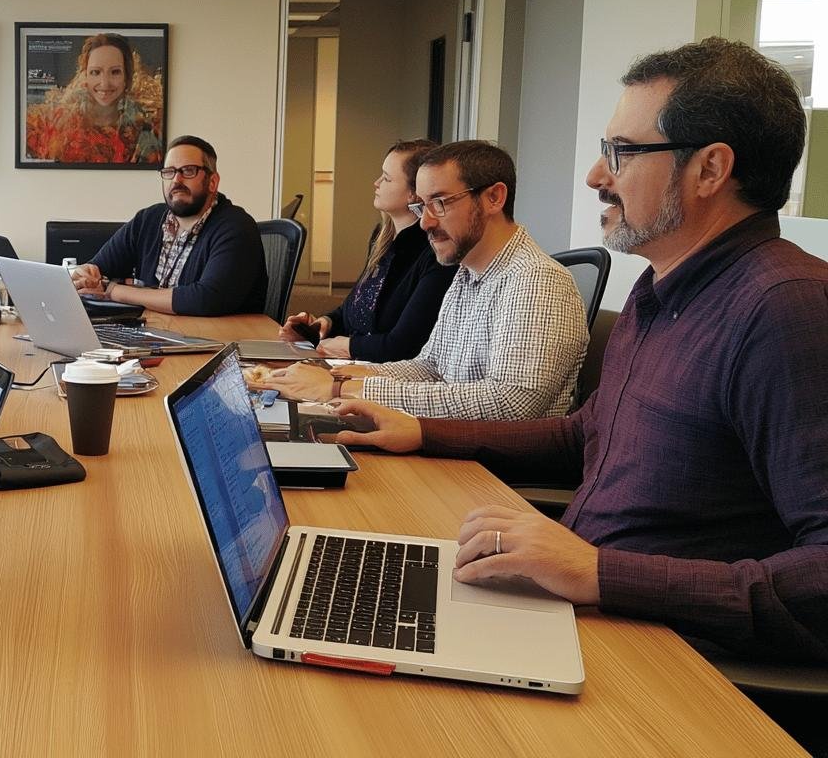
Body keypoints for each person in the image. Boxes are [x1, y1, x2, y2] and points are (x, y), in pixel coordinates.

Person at [324, 39, 827, 672]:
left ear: (710, 169)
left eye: (621, 152)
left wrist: (599, 572)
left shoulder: (786, 308)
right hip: (585, 607)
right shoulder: (658, 290)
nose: (595, 176)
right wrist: (422, 429)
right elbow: (584, 435)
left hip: (664, 653)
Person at [254, 141, 587, 420]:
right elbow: (430, 367)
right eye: (421, 207)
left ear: (494, 198)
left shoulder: (536, 280)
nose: (426, 223)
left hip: (490, 475)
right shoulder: (468, 274)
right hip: (446, 447)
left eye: (439, 203)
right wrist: (334, 375)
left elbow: (512, 404)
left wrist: (345, 389)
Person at [279, 138, 456, 361]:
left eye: (387, 178)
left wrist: (349, 346)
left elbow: (403, 346)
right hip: (350, 364)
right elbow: (357, 306)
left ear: (415, 192)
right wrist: (324, 323)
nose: (376, 182)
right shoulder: (382, 237)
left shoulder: (434, 254)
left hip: (380, 376)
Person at [71, 135, 268, 316]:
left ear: (212, 182)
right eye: (169, 172)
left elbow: (207, 300)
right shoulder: (148, 219)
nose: (176, 180)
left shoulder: (236, 227)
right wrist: (86, 275)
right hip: (159, 331)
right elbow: (100, 267)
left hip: (221, 340)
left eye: (189, 171)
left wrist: (115, 291)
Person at [25, 32, 164, 164]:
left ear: (126, 78)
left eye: (115, 72)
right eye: (95, 72)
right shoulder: (57, 123)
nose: (104, 83)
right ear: (85, 75)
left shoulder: (145, 129)